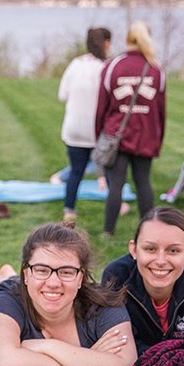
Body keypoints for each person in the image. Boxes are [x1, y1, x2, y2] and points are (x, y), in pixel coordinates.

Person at [0, 222, 136, 366]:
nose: (53, 283)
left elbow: (126, 364)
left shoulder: (103, 303)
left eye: (66, 272)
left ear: (80, 278)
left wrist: (49, 346)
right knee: (12, 283)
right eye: (42, 270)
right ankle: (8, 277)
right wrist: (89, 357)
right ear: (26, 273)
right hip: (17, 289)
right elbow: (6, 363)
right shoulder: (5, 300)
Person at [101, 207, 184, 355]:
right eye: (150, 249)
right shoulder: (116, 276)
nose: (161, 261)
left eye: (173, 251)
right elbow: (114, 342)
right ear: (134, 250)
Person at [94, 21, 166, 236]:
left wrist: (99, 134)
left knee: (115, 185)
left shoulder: (112, 66)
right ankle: (149, 232)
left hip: (117, 135)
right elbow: (160, 110)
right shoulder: (156, 69)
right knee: (143, 183)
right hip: (145, 135)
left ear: (127, 39)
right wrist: (157, 139)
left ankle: (108, 231)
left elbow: (101, 107)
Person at [58, 27, 121, 223]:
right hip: (97, 130)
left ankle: (69, 209)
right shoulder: (106, 68)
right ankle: (116, 203)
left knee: (76, 171)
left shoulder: (75, 65)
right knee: (109, 168)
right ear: (107, 43)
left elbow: (62, 95)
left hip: (73, 129)